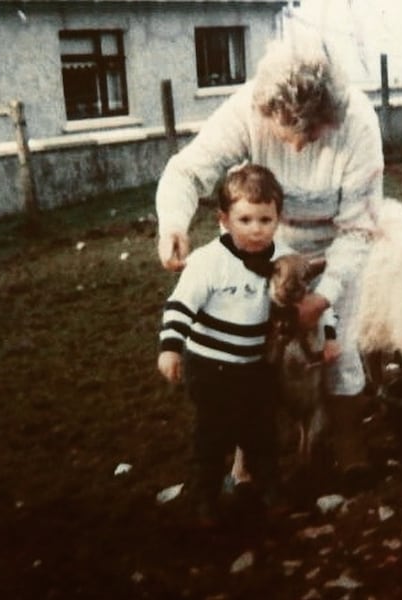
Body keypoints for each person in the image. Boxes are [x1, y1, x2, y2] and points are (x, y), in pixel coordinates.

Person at [156, 36, 384, 483]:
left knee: (338, 348)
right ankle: (248, 460)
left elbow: (359, 228)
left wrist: (323, 298)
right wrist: (173, 224)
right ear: (267, 112)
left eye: (312, 133)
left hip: (332, 249)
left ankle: (346, 446)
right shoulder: (246, 109)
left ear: (331, 116)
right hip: (256, 247)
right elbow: (186, 171)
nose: (298, 146)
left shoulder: (358, 123)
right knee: (249, 353)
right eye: (287, 133)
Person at [157, 164, 336, 521]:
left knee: (260, 433)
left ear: (278, 219)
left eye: (265, 220)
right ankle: (203, 497)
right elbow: (180, 304)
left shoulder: (284, 258)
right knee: (213, 433)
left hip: (254, 367)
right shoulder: (209, 261)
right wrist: (170, 347)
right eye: (245, 220)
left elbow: (314, 297)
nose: (256, 230)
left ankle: (270, 491)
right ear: (224, 219)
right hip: (209, 367)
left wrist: (329, 339)